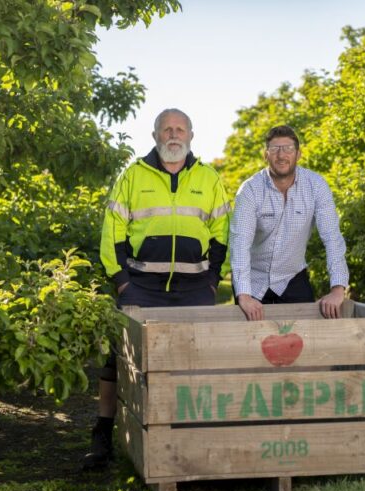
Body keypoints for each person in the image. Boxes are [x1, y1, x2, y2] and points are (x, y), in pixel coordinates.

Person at [83, 108, 230, 469]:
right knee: (119, 360)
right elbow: (112, 231)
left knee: (194, 362)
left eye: (180, 129)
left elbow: (223, 234)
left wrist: (212, 281)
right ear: (155, 136)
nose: (173, 135)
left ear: (191, 136)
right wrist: (121, 282)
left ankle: (189, 434)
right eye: (167, 129)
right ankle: (103, 433)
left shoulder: (209, 178)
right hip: (141, 288)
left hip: (195, 289)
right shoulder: (133, 176)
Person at [229, 125, 349, 321]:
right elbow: (240, 243)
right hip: (253, 280)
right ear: (266, 155)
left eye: (288, 149)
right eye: (275, 149)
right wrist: (243, 295)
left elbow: (332, 238)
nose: (281, 155)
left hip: (292, 277)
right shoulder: (249, 190)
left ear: (298, 154)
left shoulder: (316, 186)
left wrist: (338, 289)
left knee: (305, 341)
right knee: (251, 345)